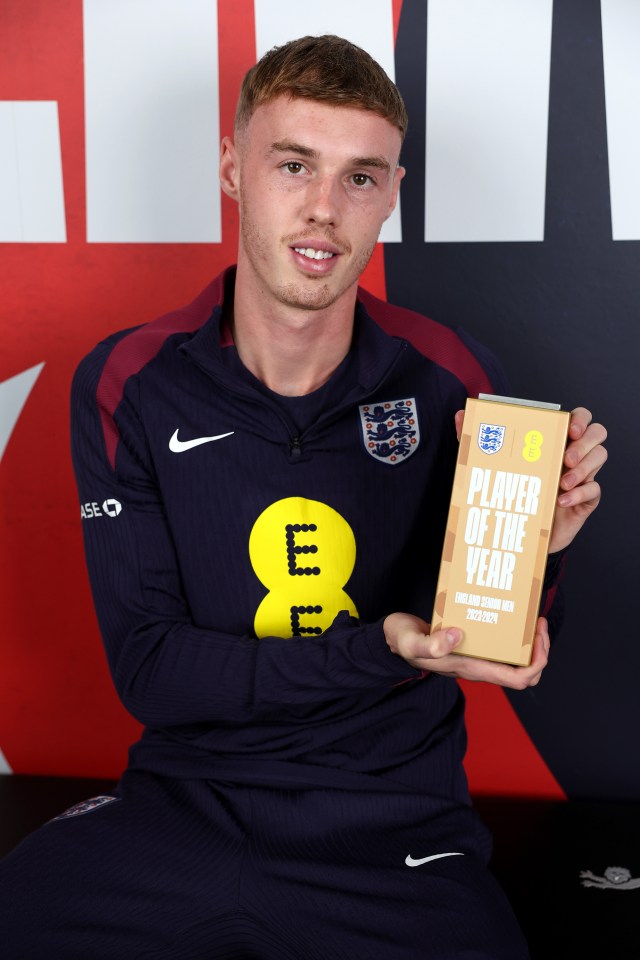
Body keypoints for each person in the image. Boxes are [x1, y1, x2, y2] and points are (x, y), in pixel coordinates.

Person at [0, 35, 606, 959]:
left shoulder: (455, 379)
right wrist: (380, 650)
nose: (324, 211)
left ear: (393, 194)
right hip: (183, 806)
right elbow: (154, 673)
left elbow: (496, 646)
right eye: (294, 166)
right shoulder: (128, 381)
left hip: (393, 829)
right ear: (234, 168)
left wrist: (538, 556)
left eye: (361, 178)